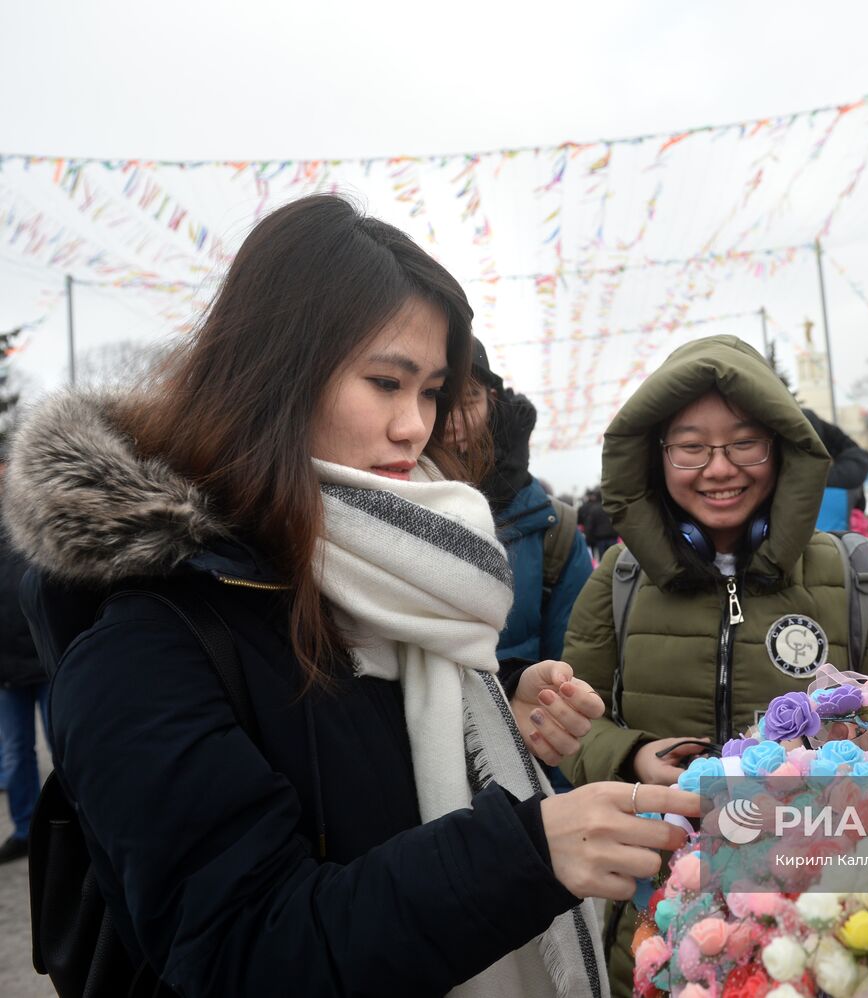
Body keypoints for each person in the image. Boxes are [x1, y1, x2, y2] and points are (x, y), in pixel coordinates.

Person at [3, 193, 701, 997]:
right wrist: (526, 853)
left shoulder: (391, 573)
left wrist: (498, 716)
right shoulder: (141, 641)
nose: (414, 426)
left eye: (432, 390)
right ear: (275, 374)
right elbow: (245, 951)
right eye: (385, 382)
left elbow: (364, 770)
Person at [558, 334, 868, 994]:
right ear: (656, 456)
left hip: (820, 927)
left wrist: (863, 757)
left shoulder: (860, 574)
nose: (719, 468)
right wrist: (634, 756)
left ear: (783, 450)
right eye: (691, 447)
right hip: (653, 928)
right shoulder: (619, 579)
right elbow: (569, 726)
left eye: (745, 443)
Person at [450, 340, 594, 792]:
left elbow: (570, 683)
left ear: (492, 402)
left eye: (468, 399)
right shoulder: (373, 507)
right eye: (437, 398)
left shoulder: (554, 532)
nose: (452, 422)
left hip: (521, 783)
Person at [0, 457, 51, 864]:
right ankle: (26, 828)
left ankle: (82, 826)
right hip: (6, 671)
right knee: (16, 754)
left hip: (48, 661)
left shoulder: (35, 519)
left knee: (68, 746)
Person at [578, 488, 618, 562]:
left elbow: (590, 525)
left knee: (603, 560)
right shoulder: (610, 507)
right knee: (615, 559)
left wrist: (588, 540)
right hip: (613, 537)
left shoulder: (594, 509)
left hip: (600, 539)